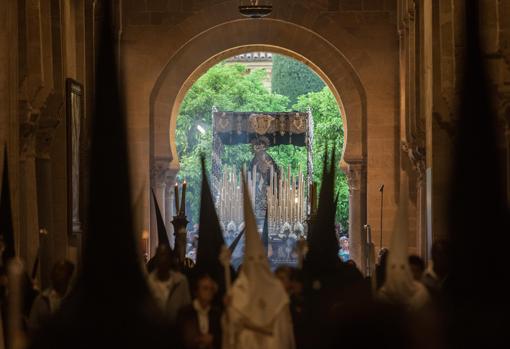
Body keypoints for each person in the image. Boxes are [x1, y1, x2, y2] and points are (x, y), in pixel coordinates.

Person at [147, 244, 191, 325]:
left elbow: (186, 309)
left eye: (165, 255)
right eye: (160, 255)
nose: (163, 259)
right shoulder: (148, 283)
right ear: (156, 259)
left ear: (170, 259)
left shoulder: (181, 282)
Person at [177, 274, 222, 349]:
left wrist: (213, 339)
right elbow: (180, 338)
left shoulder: (217, 314)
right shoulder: (185, 313)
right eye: (205, 288)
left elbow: (222, 337)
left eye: (211, 289)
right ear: (196, 291)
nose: (209, 292)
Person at [28, 260, 75, 332]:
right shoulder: (41, 300)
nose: (57, 272)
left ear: (69, 275)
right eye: (55, 269)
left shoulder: (75, 299)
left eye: (61, 269)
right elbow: (32, 327)